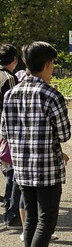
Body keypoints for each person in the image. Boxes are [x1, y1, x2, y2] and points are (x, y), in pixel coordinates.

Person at [1, 41, 71, 247]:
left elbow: (4, 131)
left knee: (30, 218)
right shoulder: (51, 95)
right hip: (47, 169)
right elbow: (65, 134)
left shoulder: (10, 94)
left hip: (21, 167)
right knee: (46, 221)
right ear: (48, 64)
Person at [0, 44, 20, 228]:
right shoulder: (9, 78)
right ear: (14, 60)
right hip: (4, 131)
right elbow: (11, 107)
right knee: (12, 171)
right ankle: (12, 212)